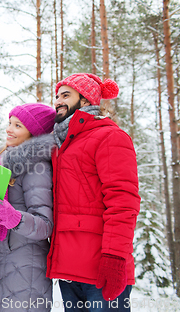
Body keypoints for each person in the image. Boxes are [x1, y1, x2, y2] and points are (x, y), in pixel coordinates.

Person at [46, 73, 140, 311]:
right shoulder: (61, 144)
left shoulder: (109, 136)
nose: (57, 101)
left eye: (66, 95)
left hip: (101, 268)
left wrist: (115, 257)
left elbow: (123, 202)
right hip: (68, 270)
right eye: (57, 96)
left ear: (86, 100)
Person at [0, 103, 56, 311]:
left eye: (18, 125)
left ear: (34, 133)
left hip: (26, 268)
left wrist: (12, 217)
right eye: (10, 123)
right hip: (0, 261)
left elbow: (45, 225)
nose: (9, 129)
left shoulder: (36, 166)